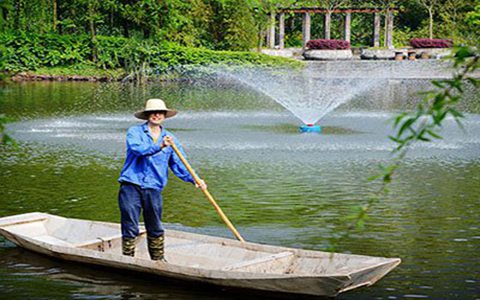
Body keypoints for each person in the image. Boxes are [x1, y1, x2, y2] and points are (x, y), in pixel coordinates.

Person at [118, 98, 206, 261]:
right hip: (131, 184)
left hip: (154, 186)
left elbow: (179, 164)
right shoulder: (134, 132)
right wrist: (159, 146)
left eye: (160, 113)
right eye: (153, 112)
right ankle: (127, 259)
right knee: (130, 222)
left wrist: (195, 179)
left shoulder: (171, 139)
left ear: (164, 116)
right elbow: (138, 150)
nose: (156, 115)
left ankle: (158, 260)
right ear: (147, 115)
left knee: (155, 225)